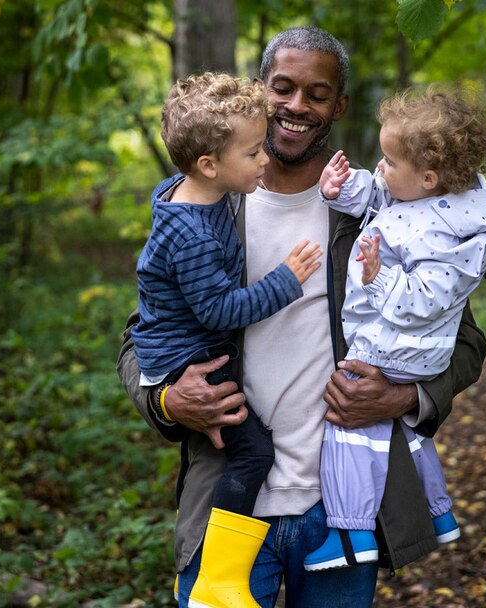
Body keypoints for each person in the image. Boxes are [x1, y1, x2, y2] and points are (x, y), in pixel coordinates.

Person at [117, 26, 486, 607]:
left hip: (339, 509)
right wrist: (168, 400)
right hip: (228, 498)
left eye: (317, 94)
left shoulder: (384, 207)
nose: (296, 106)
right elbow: (140, 340)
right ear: (259, 91)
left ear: (338, 106)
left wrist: (405, 399)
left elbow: (464, 342)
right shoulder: (206, 202)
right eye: (282, 88)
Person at [302, 87, 486, 571]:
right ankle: (438, 513)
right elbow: (379, 191)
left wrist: (378, 276)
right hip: (403, 347)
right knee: (403, 432)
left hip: (400, 347)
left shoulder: (450, 237)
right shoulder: (424, 195)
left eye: (389, 160)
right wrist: (340, 189)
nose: (379, 167)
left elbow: (425, 301)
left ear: (429, 176)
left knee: (346, 429)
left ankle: (351, 533)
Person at [132, 71, 323, 607]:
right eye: (253, 152)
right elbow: (217, 310)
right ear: (210, 165)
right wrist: (286, 279)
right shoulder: (192, 230)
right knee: (251, 451)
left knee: (250, 446)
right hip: (186, 356)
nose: (264, 160)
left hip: (323, 489)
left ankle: (221, 574)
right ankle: (219, 576)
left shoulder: (191, 191)